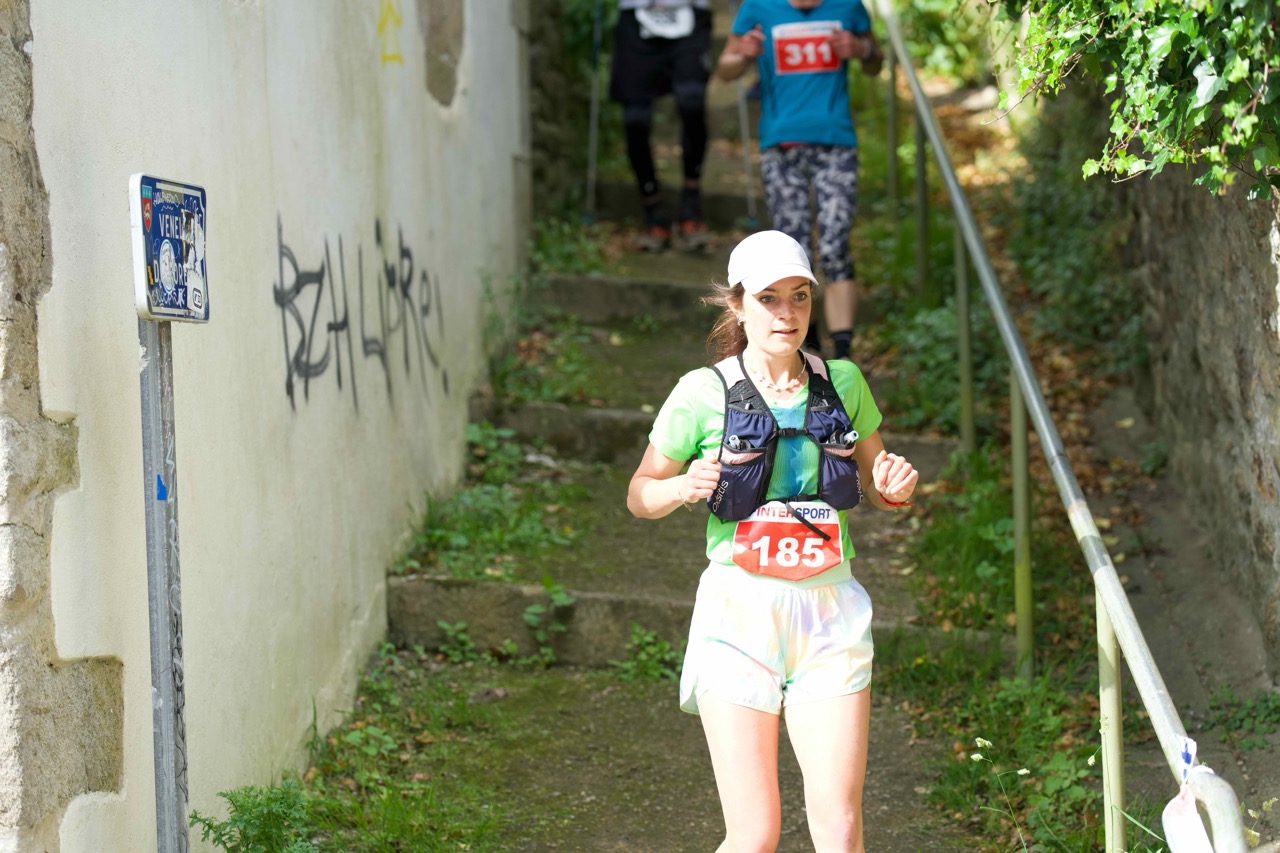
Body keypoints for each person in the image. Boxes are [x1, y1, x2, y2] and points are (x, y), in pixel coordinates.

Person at [627, 230, 918, 852]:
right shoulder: (701, 392)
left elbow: (877, 482)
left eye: (799, 296)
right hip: (739, 614)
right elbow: (639, 494)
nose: (787, 314)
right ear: (737, 304)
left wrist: (894, 486)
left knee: (840, 829)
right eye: (768, 298)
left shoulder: (843, 381)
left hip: (829, 613)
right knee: (756, 835)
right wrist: (681, 486)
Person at [715, 0, 883, 361]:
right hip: (781, 146)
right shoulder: (758, 8)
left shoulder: (848, 6)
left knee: (835, 246)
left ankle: (843, 354)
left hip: (835, 142)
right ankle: (810, 349)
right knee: (794, 253)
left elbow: (876, 62)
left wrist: (861, 49)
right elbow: (725, 69)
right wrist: (744, 55)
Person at [610, 0, 713, 252]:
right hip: (636, 15)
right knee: (634, 119)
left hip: (690, 13)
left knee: (692, 102)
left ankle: (690, 205)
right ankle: (653, 210)